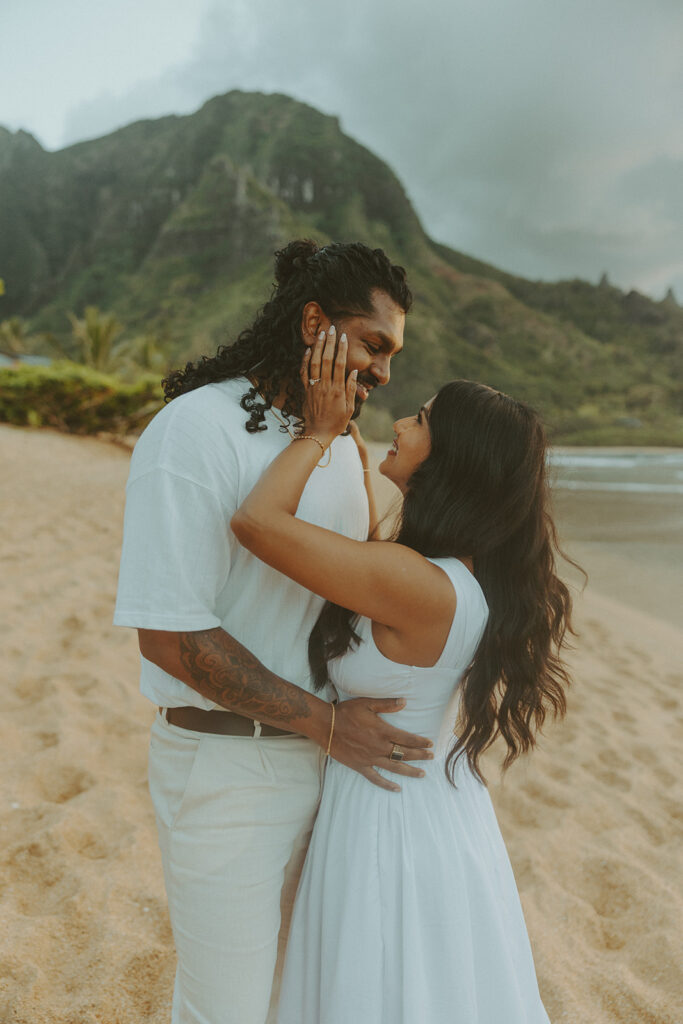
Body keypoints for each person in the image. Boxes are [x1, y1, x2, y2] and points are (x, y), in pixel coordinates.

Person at [113, 240, 435, 1024]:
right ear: (313, 322)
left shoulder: (341, 445)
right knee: (225, 1010)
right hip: (228, 769)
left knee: (305, 1000)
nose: (385, 372)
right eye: (373, 345)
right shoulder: (194, 432)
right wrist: (328, 725)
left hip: (334, 771)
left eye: (393, 355)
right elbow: (171, 641)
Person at [230, 330, 576, 1023]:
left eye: (418, 420)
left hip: (388, 819)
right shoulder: (454, 576)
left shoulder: (414, 585)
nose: (397, 422)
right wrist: (359, 463)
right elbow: (362, 552)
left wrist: (319, 433)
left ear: (450, 458)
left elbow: (256, 523)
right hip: (429, 810)